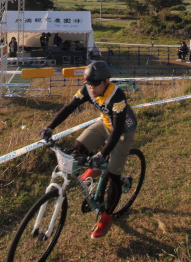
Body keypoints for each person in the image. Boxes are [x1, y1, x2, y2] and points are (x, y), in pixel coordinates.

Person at [39, 60, 137, 240]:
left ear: (106, 81)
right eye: (88, 84)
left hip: (122, 131)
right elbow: (69, 107)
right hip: (104, 123)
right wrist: (50, 127)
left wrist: (102, 154)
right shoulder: (87, 89)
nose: (91, 88)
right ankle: (96, 167)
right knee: (78, 148)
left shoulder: (117, 96)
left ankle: (107, 217)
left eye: (95, 84)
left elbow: (116, 132)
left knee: (114, 175)